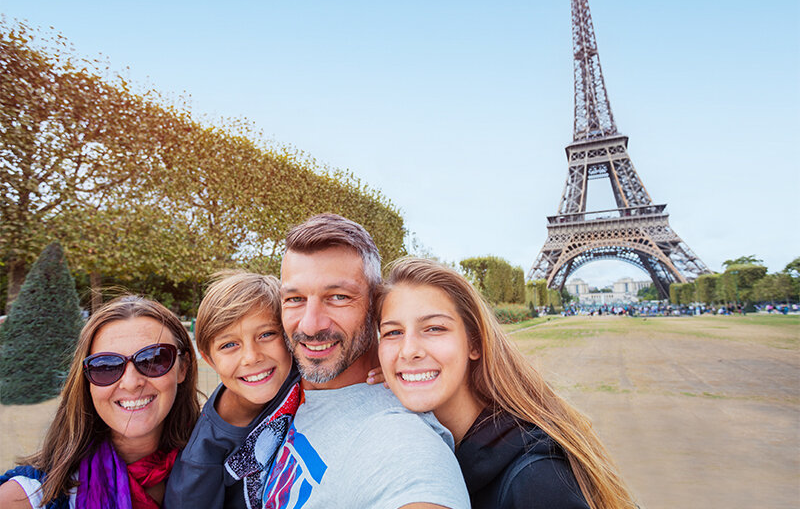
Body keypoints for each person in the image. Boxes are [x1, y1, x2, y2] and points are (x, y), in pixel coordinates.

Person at [377, 257, 638, 509]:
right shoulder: (433, 448)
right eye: (393, 333)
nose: (408, 350)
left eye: (434, 328)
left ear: (475, 344)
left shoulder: (535, 480)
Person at [260, 213, 469, 509]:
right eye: (295, 299)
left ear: (376, 304)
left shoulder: (400, 440)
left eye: (338, 297)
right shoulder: (285, 390)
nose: (310, 325)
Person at [0, 296, 200, 509]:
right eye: (105, 366)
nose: (131, 383)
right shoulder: (24, 498)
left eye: (153, 360)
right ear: (86, 381)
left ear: (183, 367)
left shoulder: (226, 471)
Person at [164, 271, 301, 509]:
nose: (251, 357)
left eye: (267, 334)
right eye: (229, 345)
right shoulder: (202, 459)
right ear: (209, 359)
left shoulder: (302, 371)